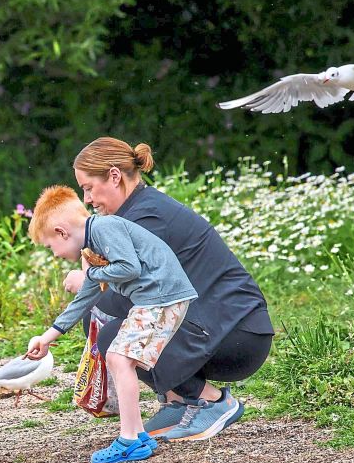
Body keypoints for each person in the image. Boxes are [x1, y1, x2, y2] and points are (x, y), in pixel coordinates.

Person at [71, 137, 274, 441]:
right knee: (99, 320)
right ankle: (178, 401)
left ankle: (211, 401)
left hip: (240, 335)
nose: (87, 199)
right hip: (217, 325)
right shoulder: (135, 211)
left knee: (112, 332)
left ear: (114, 176)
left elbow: (128, 300)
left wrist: (90, 281)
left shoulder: (146, 217)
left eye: (88, 187)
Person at [26, 185, 196, 463]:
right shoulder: (94, 245)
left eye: (50, 247)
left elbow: (130, 268)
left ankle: (129, 440)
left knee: (119, 357)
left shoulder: (103, 228)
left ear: (61, 232)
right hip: (156, 298)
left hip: (163, 296)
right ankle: (139, 435)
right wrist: (47, 336)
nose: (54, 254)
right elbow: (83, 300)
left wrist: (93, 272)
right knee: (120, 358)